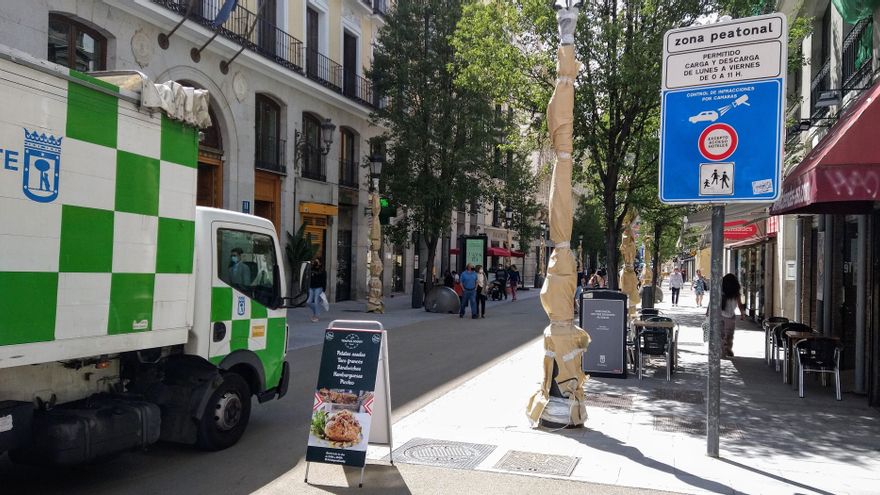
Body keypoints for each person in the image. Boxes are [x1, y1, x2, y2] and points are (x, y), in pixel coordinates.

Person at [721, 273, 747, 358]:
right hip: (731, 316)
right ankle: (728, 348)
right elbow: (740, 304)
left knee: (722, 334)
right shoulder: (736, 293)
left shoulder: (721, 291)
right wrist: (742, 314)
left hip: (721, 315)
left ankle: (723, 349)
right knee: (729, 335)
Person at [307, 258, 327, 322]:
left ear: (320, 263)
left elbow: (324, 281)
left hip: (318, 288)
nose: (315, 263)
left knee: (316, 301)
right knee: (308, 302)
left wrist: (323, 289)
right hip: (311, 287)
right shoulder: (311, 269)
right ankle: (316, 311)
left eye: (317, 262)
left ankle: (316, 316)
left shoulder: (322, 271)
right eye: (315, 261)